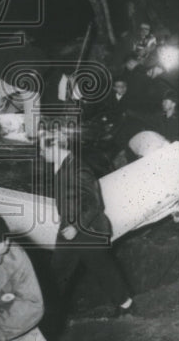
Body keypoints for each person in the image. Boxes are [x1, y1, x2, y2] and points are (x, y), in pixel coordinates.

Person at [39, 125, 134, 319]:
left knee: (102, 270)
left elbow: (95, 204)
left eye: (42, 149)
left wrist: (76, 227)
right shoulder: (61, 166)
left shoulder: (78, 169)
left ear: (55, 146)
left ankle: (126, 305)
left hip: (88, 230)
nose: (41, 153)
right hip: (70, 229)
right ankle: (47, 316)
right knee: (57, 273)